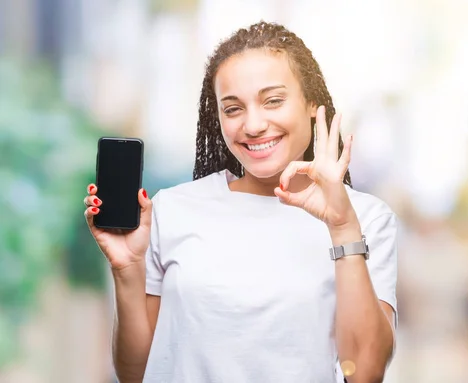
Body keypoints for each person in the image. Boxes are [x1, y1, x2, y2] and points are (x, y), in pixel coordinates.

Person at [83, 21, 399, 383]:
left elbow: (365, 372)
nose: (253, 124)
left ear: (312, 103)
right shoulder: (173, 209)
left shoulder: (366, 219)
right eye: (233, 109)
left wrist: (342, 227)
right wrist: (127, 270)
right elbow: (136, 373)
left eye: (273, 101)